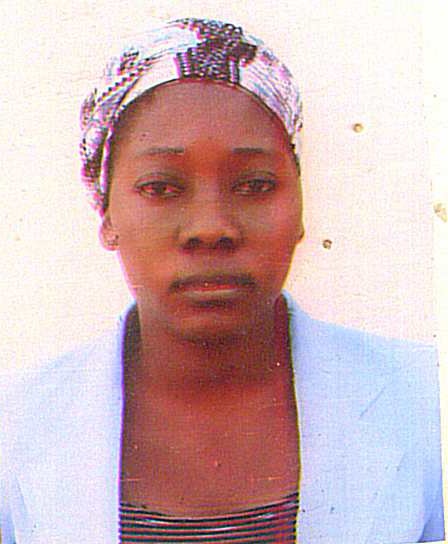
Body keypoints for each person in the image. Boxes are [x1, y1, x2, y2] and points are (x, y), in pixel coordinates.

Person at [0, 18, 444, 544]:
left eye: (255, 184)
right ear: (107, 214)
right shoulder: (15, 428)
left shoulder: (425, 402)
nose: (211, 228)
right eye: (161, 187)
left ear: (300, 207)